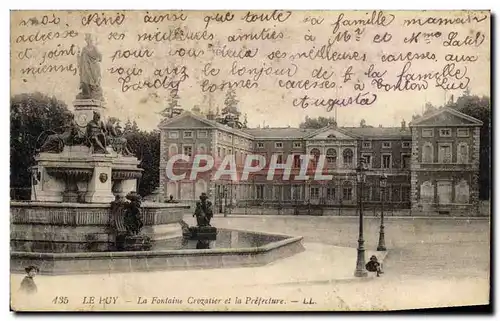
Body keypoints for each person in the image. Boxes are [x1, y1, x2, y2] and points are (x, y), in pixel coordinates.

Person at [77, 33, 103, 100]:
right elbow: (81, 59)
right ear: (86, 40)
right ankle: (86, 92)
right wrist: (78, 57)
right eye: (87, 40)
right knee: (85, 78)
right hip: (85, 67)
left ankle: (93, 91)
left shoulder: (94, 48)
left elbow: (100, 57)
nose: (88, 41)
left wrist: (96, 59)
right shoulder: (84, 49)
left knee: (94, 79)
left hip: (93, 67)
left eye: (90, 39)